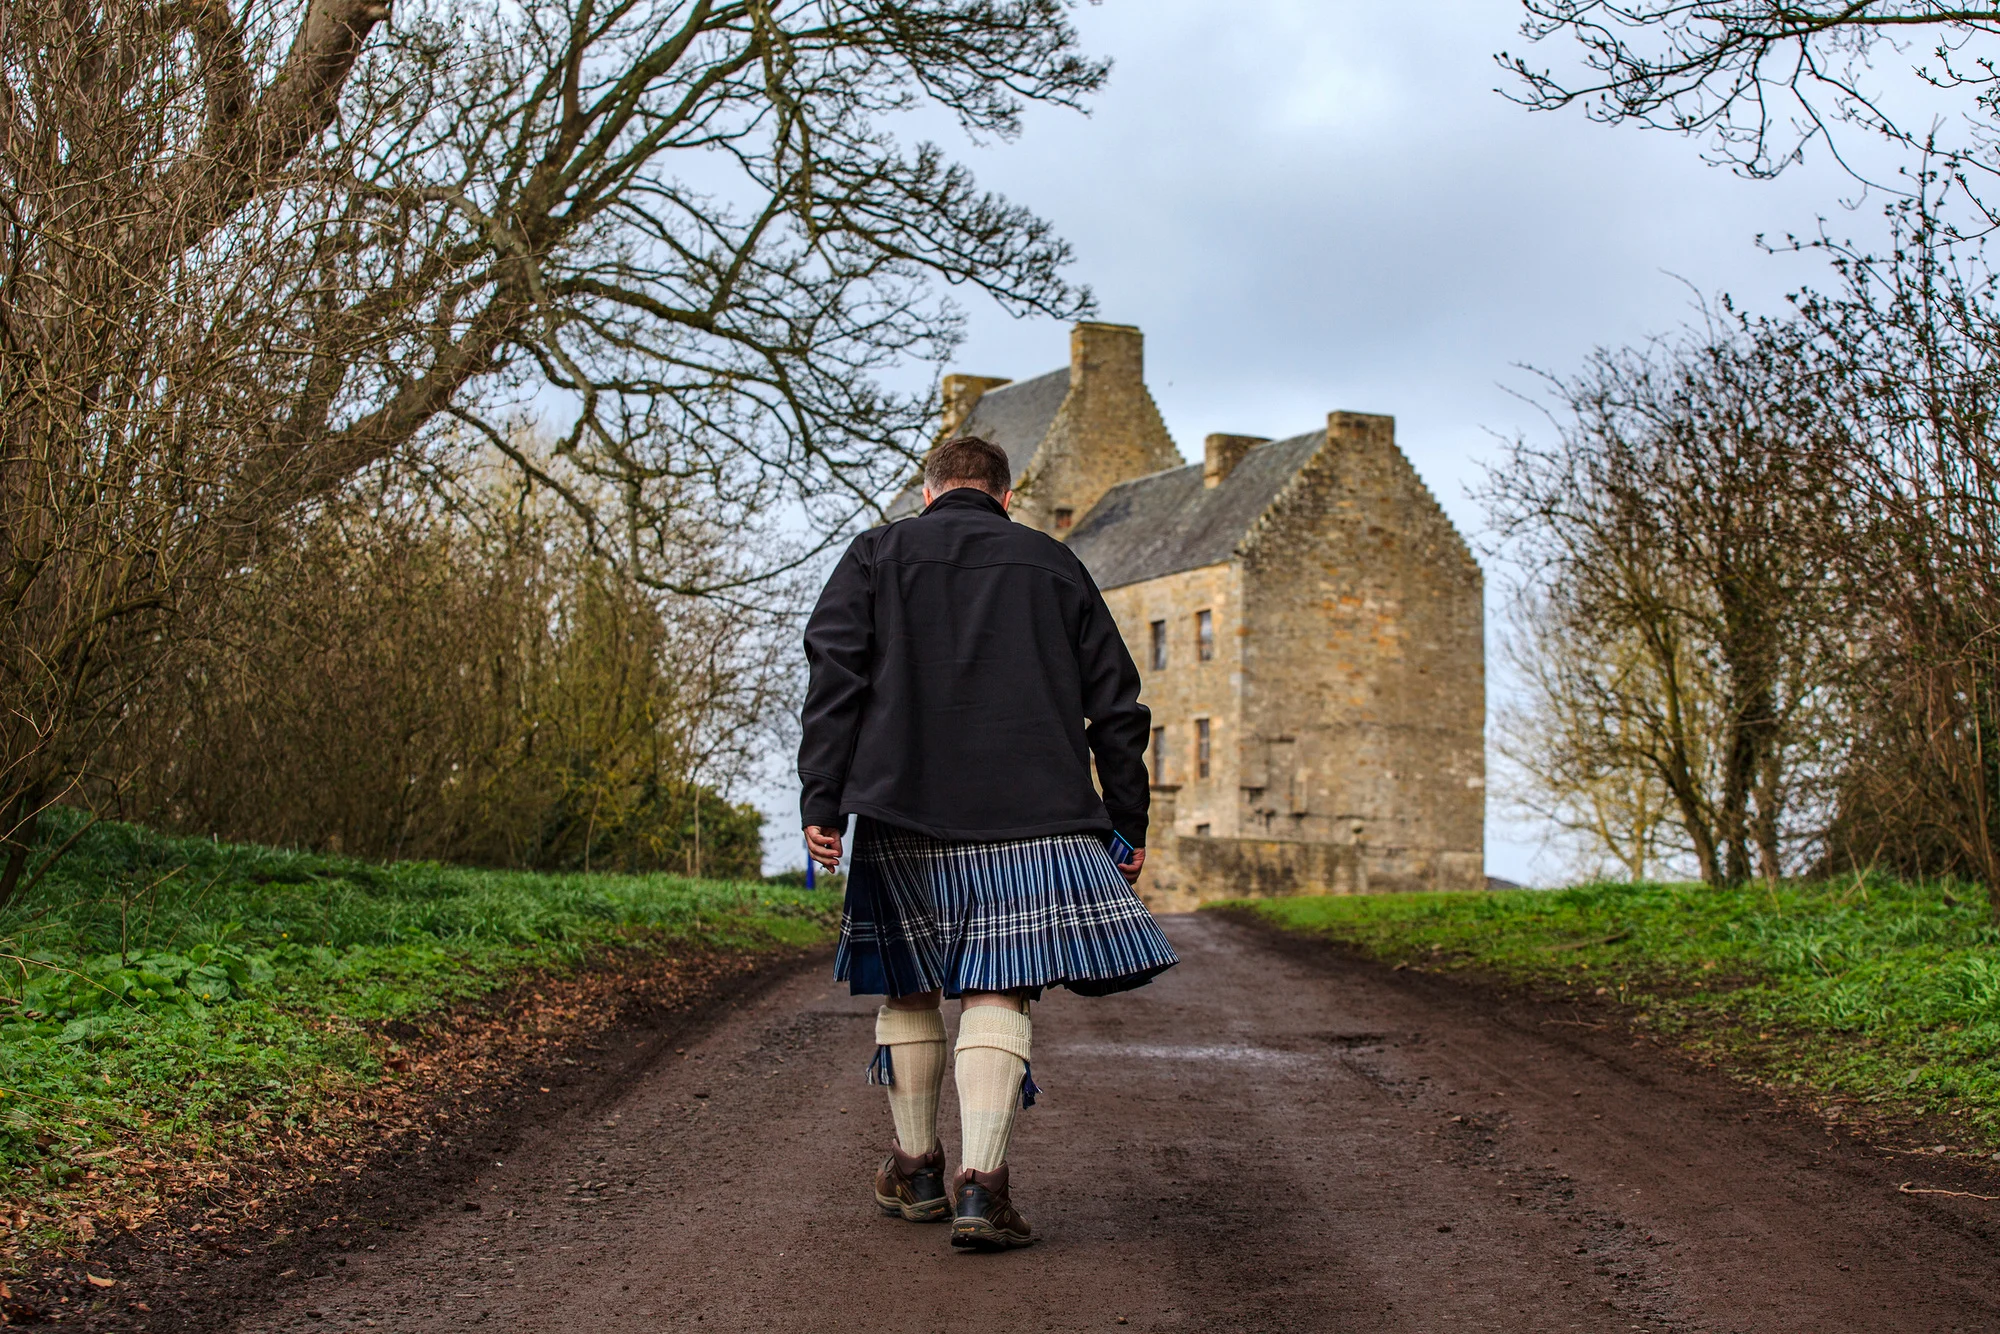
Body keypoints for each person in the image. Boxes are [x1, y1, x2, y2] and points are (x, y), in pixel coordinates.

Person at [799, 435, 1178, 1251]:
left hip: (900, 806)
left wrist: (821, 799)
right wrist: (1127, 821)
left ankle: (917, 1168)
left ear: (928, 493)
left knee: (907, 985)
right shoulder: (1052, 562)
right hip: (1033, 814)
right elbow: (1118, 705)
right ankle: (983, 1191)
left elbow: (835, 676)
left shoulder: (876, 553)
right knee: (996, 987)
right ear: (1006, 498)